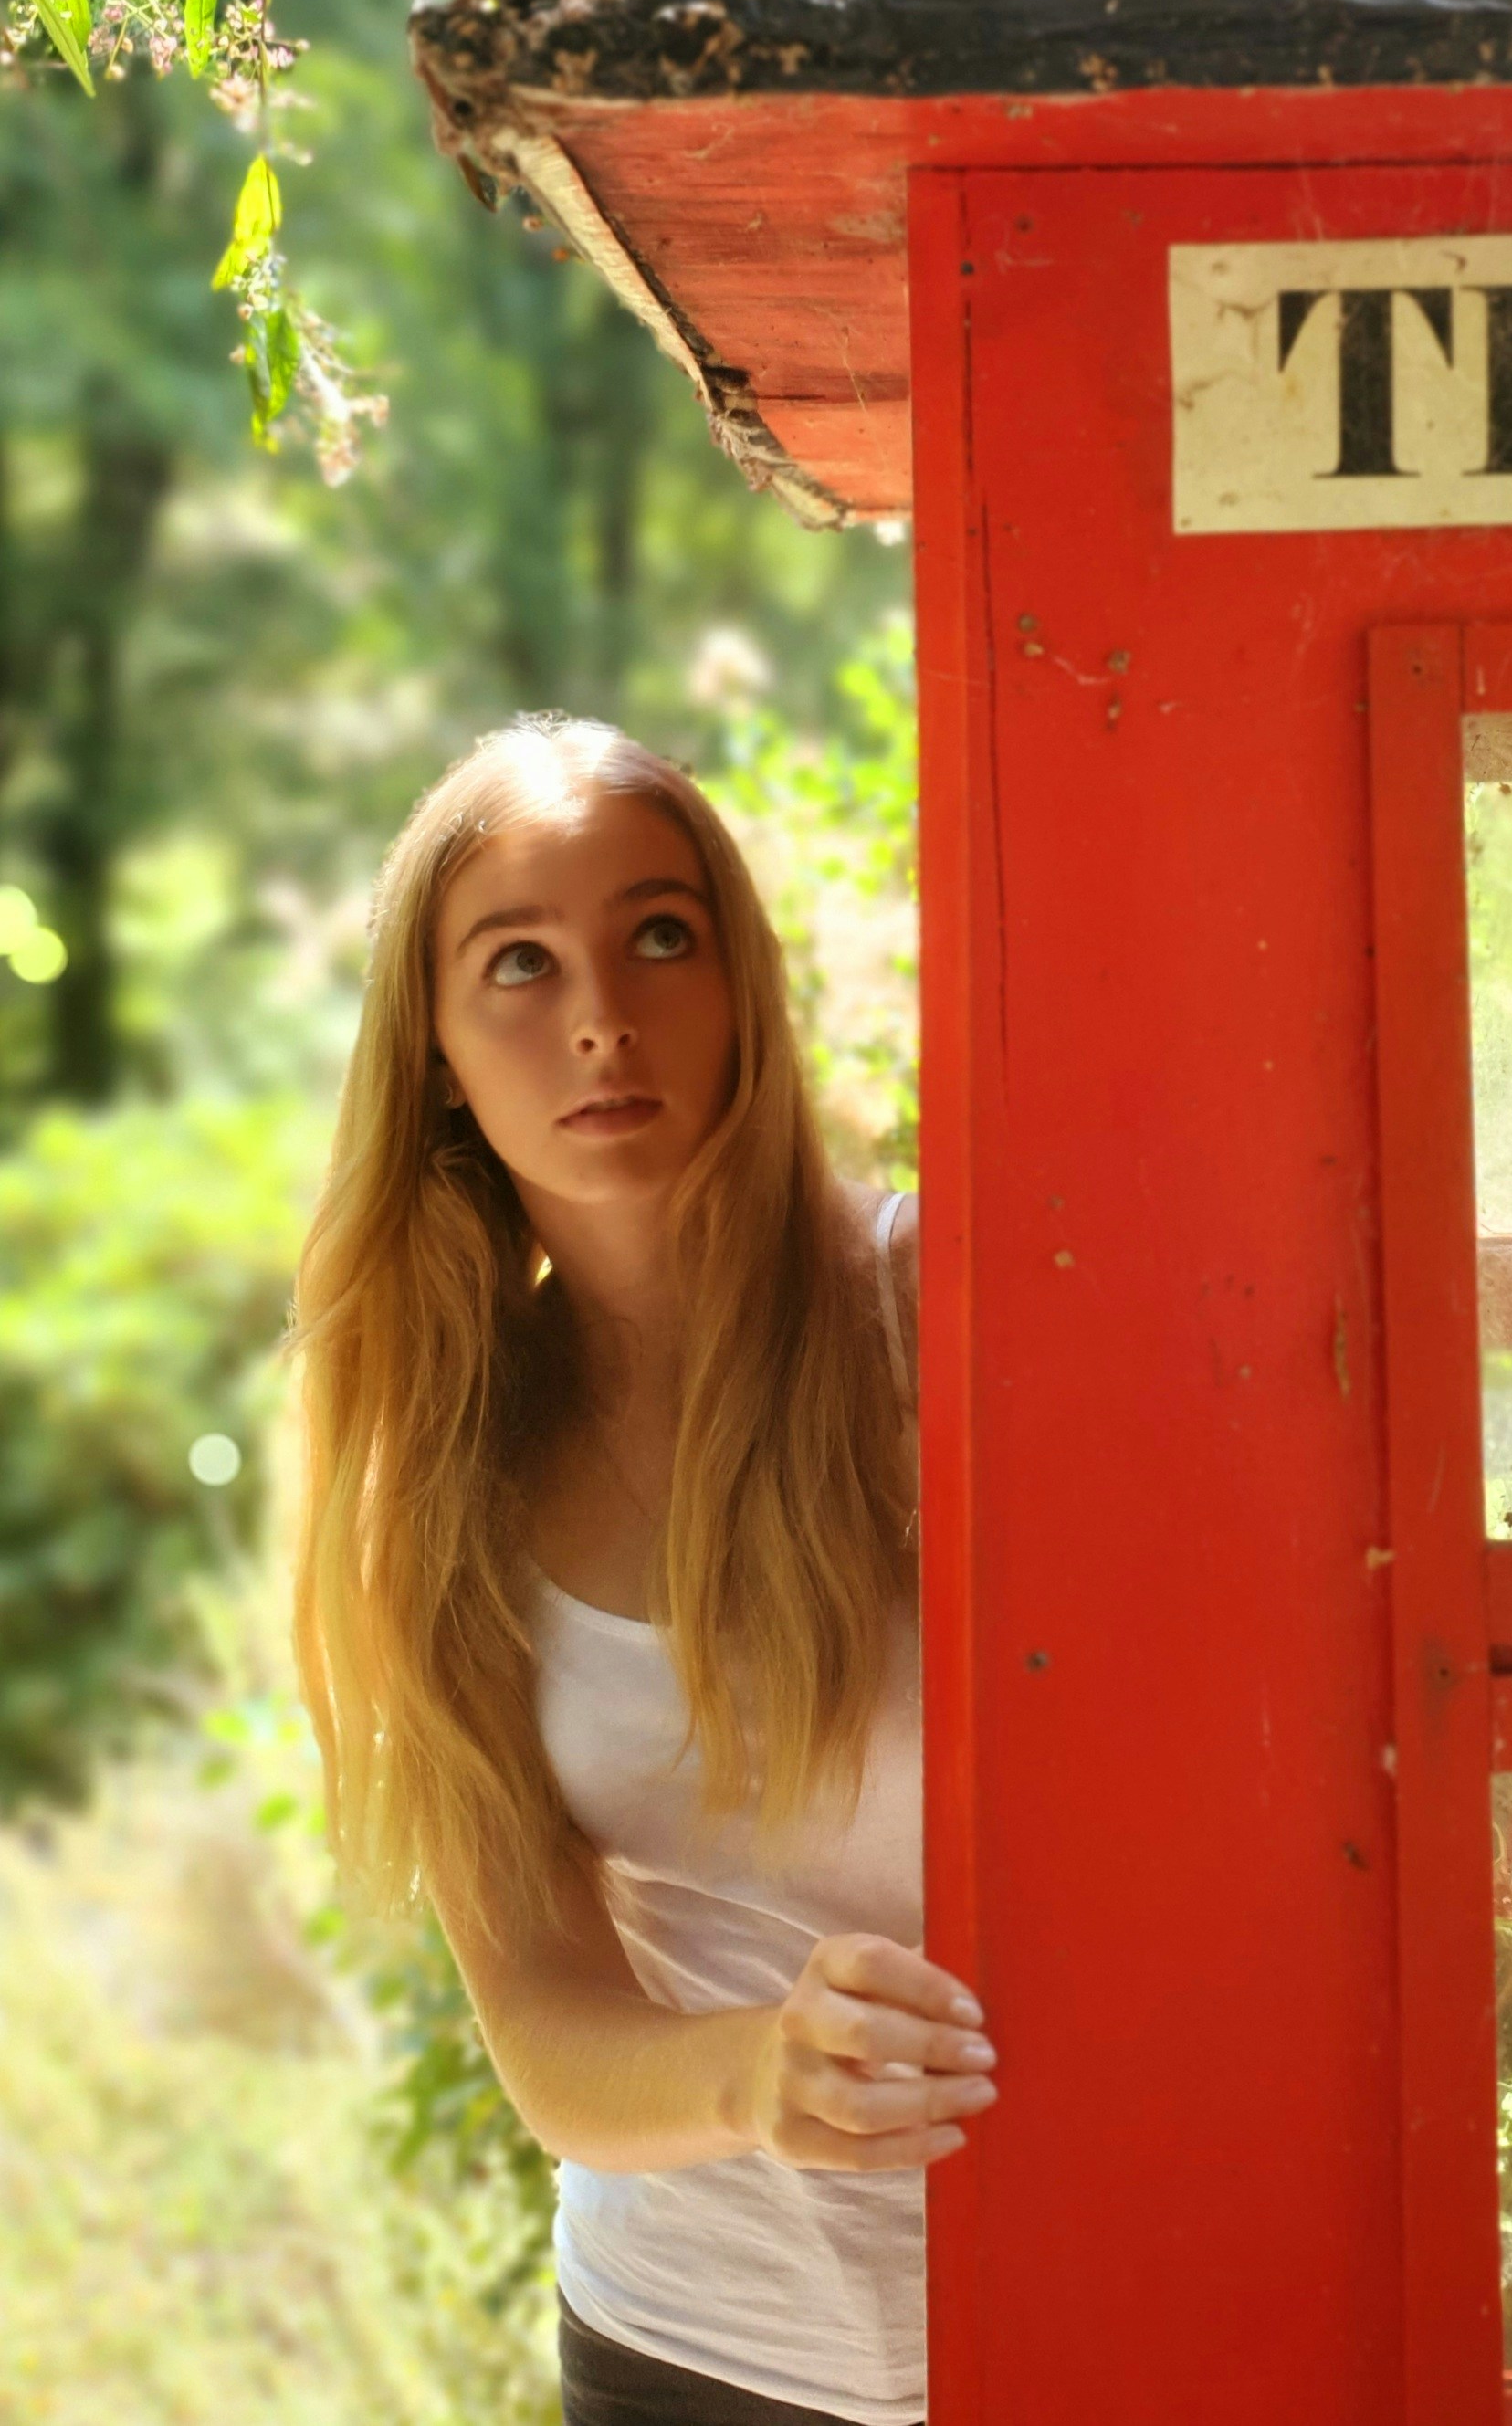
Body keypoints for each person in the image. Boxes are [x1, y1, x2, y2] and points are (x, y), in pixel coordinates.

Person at [289, 715, 992, 2426]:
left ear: (742, 980)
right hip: (692, 2358)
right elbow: (545, 2027)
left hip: (1087, 2309)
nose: (600, 1014)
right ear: (439, 1054)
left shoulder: (958, 1328)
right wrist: (764, 2071)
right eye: (517, 965)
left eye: (658, 936)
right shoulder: (446, 1477)